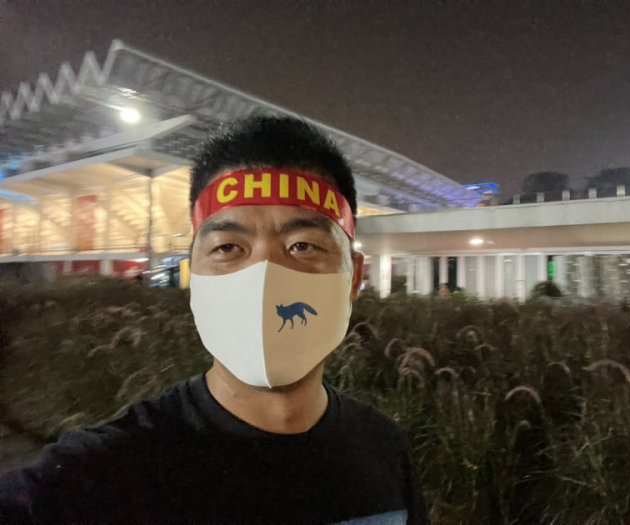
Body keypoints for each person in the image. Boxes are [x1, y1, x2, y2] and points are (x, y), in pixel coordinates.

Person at [0, 116, 427, 524]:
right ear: (195, 276)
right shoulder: (97, 477)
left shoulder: (383, 449)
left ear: (353, 278)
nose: (264, 278)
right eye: (227, 248)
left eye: (302, 246)